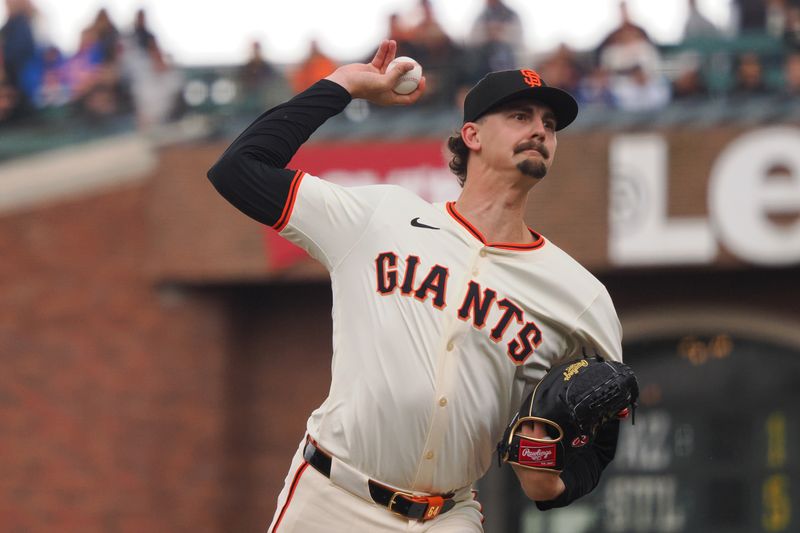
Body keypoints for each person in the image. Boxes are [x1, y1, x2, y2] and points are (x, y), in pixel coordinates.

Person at [207, 40, 624, 532]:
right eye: (520, 116)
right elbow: (239, 169)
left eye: (549, 125)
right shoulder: (380, 217)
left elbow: (606, 415)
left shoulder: (580, 294)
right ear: (471, 134)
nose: (539, 129)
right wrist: (343, 86)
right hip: (331, 497)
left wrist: (557, 484)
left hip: (448, 517)